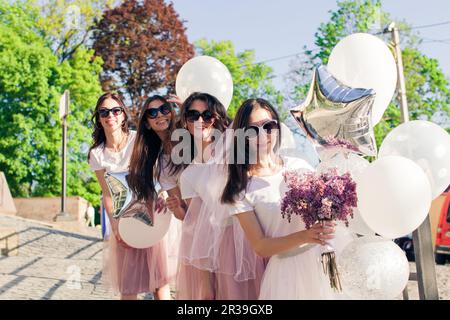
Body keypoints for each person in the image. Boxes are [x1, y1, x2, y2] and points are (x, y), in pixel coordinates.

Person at [221, 98, 340, 299]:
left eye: (269, 126)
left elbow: (324, 207)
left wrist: (329, 222)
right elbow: (260, 246)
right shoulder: (239, 189)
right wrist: (305, 236)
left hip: (322, 261)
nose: (262, 135)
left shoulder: (299, 165)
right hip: (287, 274)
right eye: (252, 130)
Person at [88, 92, 168, 300]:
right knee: (129, 286)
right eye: (104, 112)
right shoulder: (97, 154)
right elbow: (107, 194)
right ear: (98, 117)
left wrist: (164, 193)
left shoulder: (138, 139)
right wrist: (115, 225)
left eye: (115, 110)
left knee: (159, 283)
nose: (110, 116)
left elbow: (161, 172)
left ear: (123, 115)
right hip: (124, 220)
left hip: (152, 213)